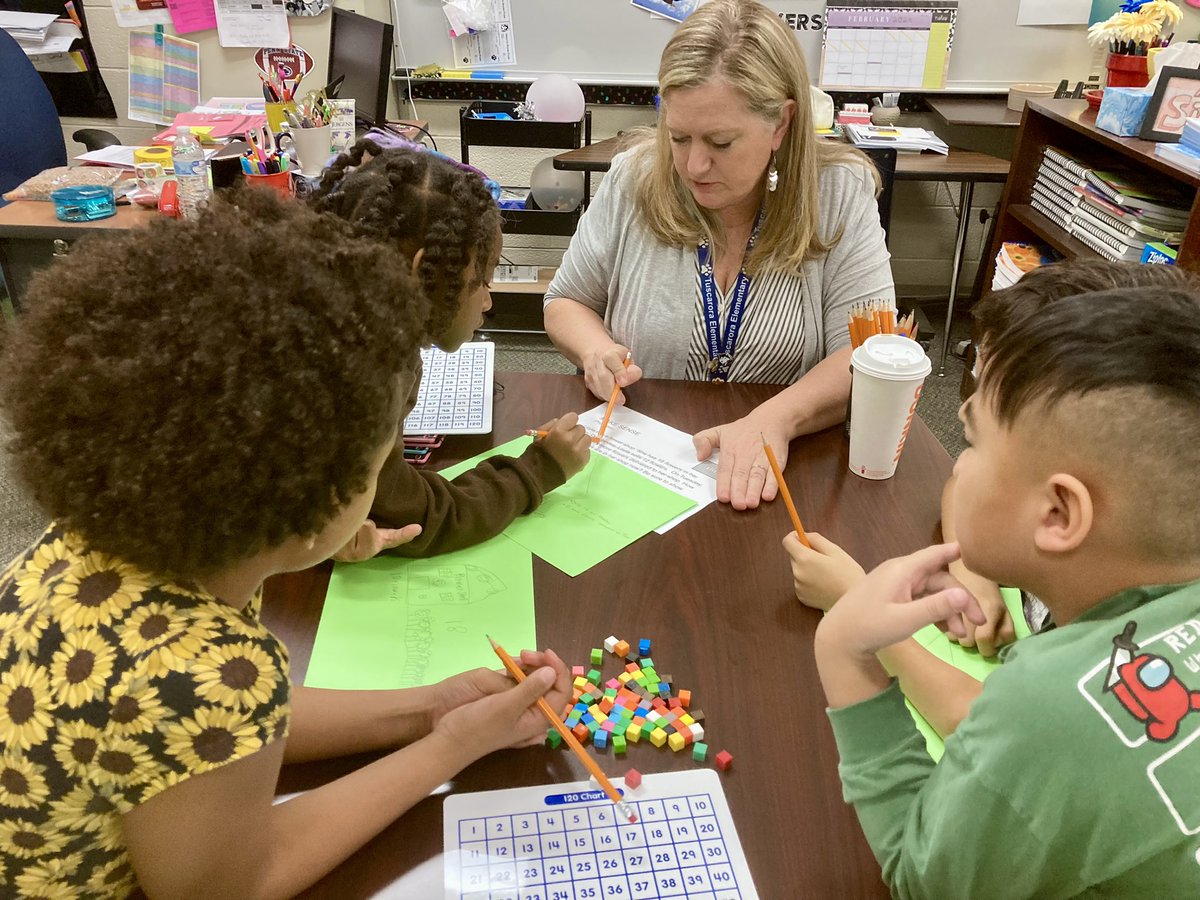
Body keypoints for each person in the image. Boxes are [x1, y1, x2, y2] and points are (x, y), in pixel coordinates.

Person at [0, 191, 570, 898]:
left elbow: (218, 739)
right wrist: (451, 746)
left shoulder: (99, 545)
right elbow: (235, 883)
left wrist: (430, 707)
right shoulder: (217, 672)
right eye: (380, 460)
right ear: (314, 496)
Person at [812, 285, 1200, 895]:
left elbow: (925, 882)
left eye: (973, 444)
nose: (956, 467)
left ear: (1058, 514)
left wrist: (845, 651)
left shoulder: (1048, 704)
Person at [786, 261, 1200, 736]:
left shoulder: (1102, 675)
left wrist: (862, 613)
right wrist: (971, 569)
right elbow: (964, 486)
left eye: (980, 440)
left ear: (1059, 513)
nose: (960, 412)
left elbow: (983, 729)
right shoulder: (1137, 531)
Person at [543, 0, 893, 512]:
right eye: (679, 136)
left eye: (721, 142)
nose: (694, 164)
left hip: (773, 477)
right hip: (640, 469)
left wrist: (778, 418)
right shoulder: (633, 177)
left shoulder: (838, 194)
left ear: (781, 124)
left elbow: (869, 355)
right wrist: (595, 350)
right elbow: (566, 301)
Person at [312, 141, 592, 562]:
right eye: (483, 276)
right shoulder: (370, 376)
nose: (488, 301)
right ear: (423, 271)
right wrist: (539, 469)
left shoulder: (335, 323)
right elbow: (418, 516)